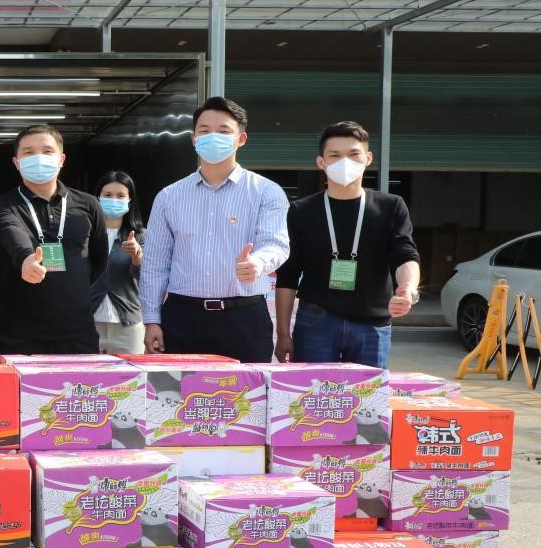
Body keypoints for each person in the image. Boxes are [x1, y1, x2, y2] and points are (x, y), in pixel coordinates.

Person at [139, 96, 290, 363]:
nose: (213, 137)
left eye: (223, 131)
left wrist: (258, 263)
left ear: (241, 139)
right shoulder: (169, 196)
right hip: (183, 317)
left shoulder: (266, 192)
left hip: (243, 316)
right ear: (193, 138)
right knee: (178, 389)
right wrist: (152, 320)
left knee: (247, 389)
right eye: (205, 130)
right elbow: (155, 262)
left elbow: (276, 244)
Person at [274, 122, 420, 368]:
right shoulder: (302, 211)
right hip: (316, 321)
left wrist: (408, 288)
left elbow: (405, 254)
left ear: (368, 158)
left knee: (368, 392)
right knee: (313, 389)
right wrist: (283, 333)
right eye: (335, 155)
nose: (345, 162)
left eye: (353, 154)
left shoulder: (390, 206)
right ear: (321, 162)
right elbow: (288, 274)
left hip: (372, 323)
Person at [0, 125, 107, 354]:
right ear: (16, 162)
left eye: (47, 151)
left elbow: (99, 259)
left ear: (61, 159)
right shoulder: (2, 205)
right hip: (19, 333)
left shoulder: (88, 204)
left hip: (77, 331)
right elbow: (11, 233)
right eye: (28, 152)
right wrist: (26, 259)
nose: (39, 158)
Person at [89, 171, 146, 355]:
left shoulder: (140, 236)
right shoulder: (85, 234)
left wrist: (137, 256)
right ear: (97, 198)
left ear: (129, 200)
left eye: (120, 195)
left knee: (131, 373)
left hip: (128, 326)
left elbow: (148, 277)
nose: (114, 200)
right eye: (107, 195)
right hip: (89, 323)